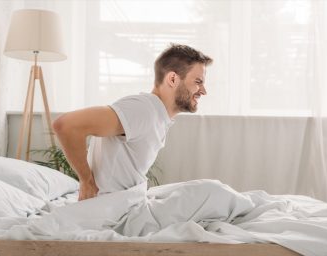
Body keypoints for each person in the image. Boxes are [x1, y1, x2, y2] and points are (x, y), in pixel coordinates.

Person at [53, 44, 213, 201]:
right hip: (112, 210)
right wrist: (86, 182)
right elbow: (66, 125)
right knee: (212, 192)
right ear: (172, 79)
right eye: (198, 82)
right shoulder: (142, 109)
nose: (204, 91)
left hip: (127, 204)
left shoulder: (157, 115)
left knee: (207, 192)